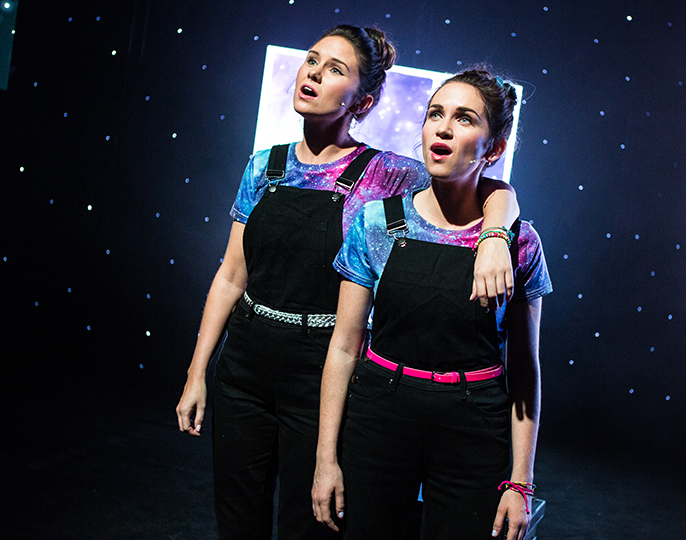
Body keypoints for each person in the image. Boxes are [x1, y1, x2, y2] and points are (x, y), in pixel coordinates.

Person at [174, 26, 521, 540]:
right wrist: (197, 371)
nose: (312, 72)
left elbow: (489, 185)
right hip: (246, 362)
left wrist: (495, 233)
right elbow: (230, 274)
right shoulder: (265, 167)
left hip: (322, 367)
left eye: (335, 68)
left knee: (309, 524)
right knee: (237, 519)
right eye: (312, 59)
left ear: (364, 99)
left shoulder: (387, 174)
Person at [312, 70, 551, 540]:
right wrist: (325, 459)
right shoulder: (379, 223)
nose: (442, 128)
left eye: (464, 119)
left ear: (495, 148)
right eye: (435, 114)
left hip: (472, 426)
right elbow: (343, 347)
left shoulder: (519, 243)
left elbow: (525, 369)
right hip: (381, 415)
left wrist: (519, 483)